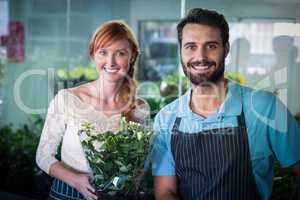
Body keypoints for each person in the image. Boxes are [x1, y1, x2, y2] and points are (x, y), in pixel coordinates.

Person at [151, 8, 300, 200]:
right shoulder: (166, 118)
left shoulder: (264, 106)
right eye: (191, 46)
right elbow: (165, 192)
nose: (201, 56)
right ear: (180, 51)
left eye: (211, 46)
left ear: (226, 49)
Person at [36, 21, 150, 200]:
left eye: (120, 53)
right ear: (93, 55)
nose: (110, 62)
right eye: (103, 52)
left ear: (132, 56)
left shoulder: (139, 108)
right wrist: (75, 180)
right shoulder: (68, 98)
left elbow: (139, 164)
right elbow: (43, 156)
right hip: (67, 194)